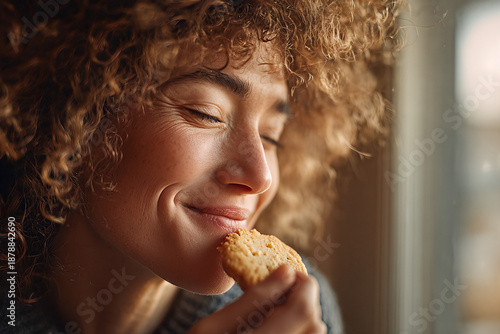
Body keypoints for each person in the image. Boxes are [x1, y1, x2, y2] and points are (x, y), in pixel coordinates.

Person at [0, 0, 400, 333]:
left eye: (272, 135)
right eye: (206, 113)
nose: (260, 176)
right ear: (76, 112)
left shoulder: (296, 313)